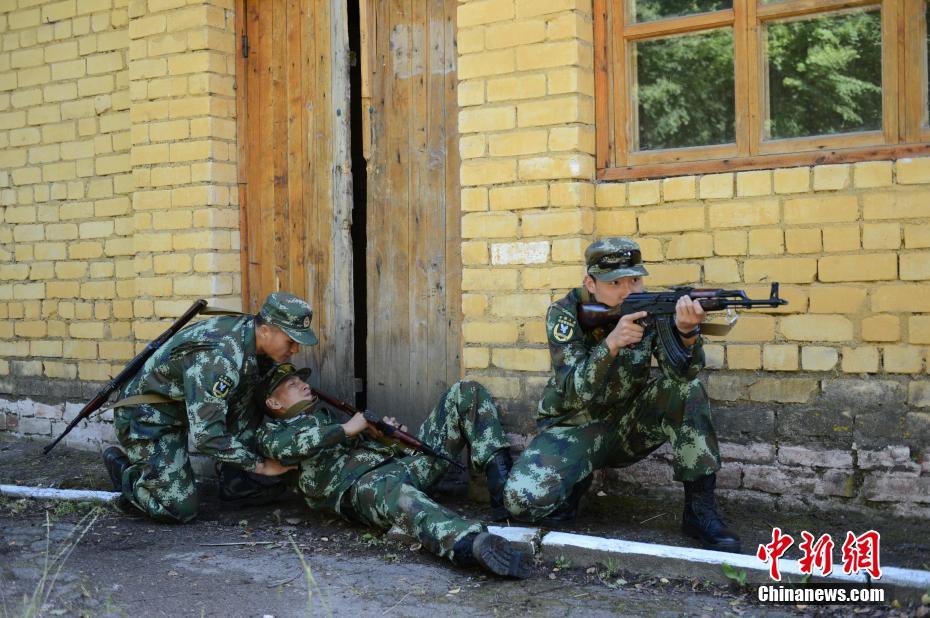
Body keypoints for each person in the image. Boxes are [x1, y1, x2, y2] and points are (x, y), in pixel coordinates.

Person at [503, 237, 741, 553]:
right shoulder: (565, 314)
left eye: (635, 280)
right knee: (521, 503)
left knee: (689, 390)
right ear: (590, 282)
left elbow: (681, 377)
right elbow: (572, 391)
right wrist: (611, 344)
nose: (628, 291)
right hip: (573, 428)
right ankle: (576, 481)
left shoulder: (651, 309)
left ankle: (700, 512)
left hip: (628, 426)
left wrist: (687, 334)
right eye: (615, 283)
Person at [255, 363, 530, 578]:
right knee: (401, 498)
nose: (304, 385)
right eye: (293, 384)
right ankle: (469, 544)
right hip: (364, 488)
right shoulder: (272, 433)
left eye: (301, 380)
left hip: (402, 466)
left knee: (464, 391)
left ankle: (502, 491)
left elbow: (365, 447)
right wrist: (348, 428)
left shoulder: (324, 418)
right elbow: (292, 448)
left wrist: (388, 437)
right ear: (274, 403)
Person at [101, 292, 317, 523]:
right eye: (291, 341)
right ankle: (128, 475)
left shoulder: (251, 335)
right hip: (149, 416)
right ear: (265, 330)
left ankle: (236, 483)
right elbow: (207, 436)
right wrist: (261, 466)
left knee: (254, 390)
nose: (295, 349)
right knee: (177, 509)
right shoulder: (220, 358)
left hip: (185, 408)